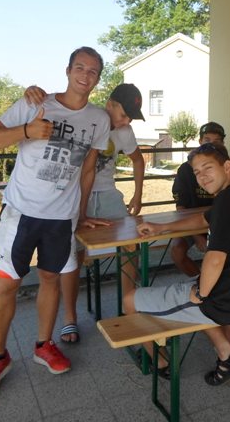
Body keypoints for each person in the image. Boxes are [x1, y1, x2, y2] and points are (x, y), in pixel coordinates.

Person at [0, 47, 111, 400]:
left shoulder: (99, 119)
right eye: (80, 67)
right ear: (67, 70)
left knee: (51, 279)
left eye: (93, 71)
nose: (85, 75)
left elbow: (88, 169)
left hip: (61, 217)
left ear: (98, 78)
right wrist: (27, 131)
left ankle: (44, 345)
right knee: (7, 285)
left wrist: (80, 213)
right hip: (21, 212)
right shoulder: (36, 102)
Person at [124, 143, 230, 386]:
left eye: (208, 168)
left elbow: (215, 258)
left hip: (224, 301)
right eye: (197, 172)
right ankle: (227, 355)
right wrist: (162, 227)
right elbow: (203, 218)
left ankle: (161, 362)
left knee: (129, 301)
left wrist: (200, 293)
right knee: (192, 285)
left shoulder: (226, 203)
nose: (202, 176)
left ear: (227, 166)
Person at [24, 82, 146, 344]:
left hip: (109, 195)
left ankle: (128, 307)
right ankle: (70, 318)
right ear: (110, 105)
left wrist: (138, 194)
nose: (126, 121)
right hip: (76, 195)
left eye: (131, 118)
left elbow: (138, 160)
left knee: (130, 246)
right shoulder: (89, 120)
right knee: (72, 257)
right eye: (124, 114)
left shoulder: (124, 131)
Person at [170, 122, 226, 277]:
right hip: (191, 222)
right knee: (176, 251)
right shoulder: (185, 169)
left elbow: (228, 204)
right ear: (200, 141)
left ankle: (219, 284)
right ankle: (201, 282)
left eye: (216, 142)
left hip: (218, 222)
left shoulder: (225, 167)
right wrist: (196, 235)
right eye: (207, 140)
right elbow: (181, 207)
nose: (211, 146)